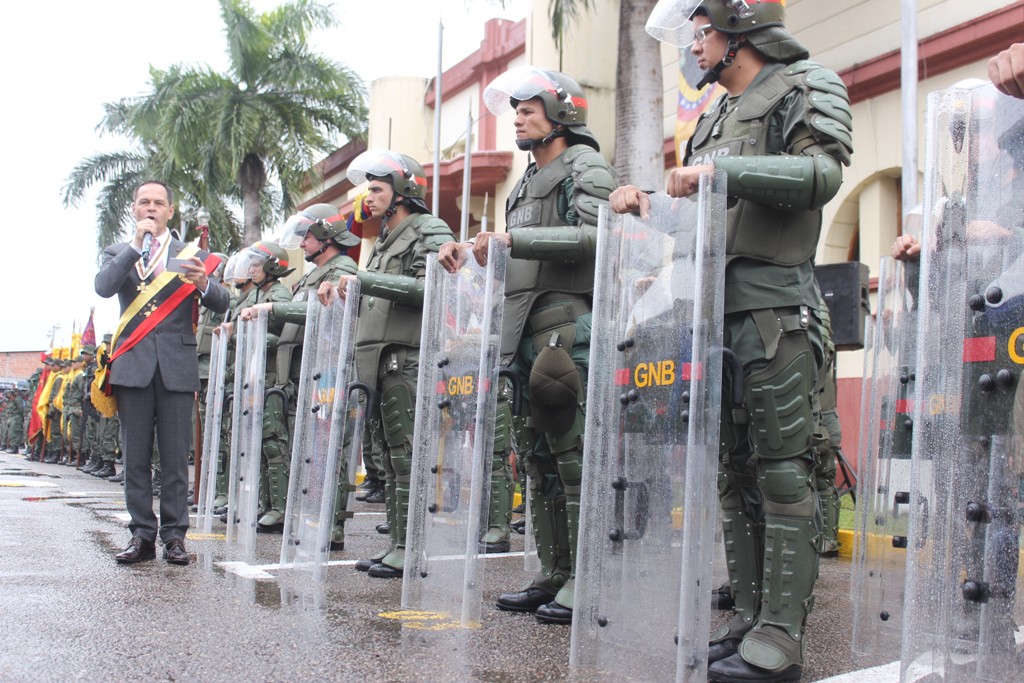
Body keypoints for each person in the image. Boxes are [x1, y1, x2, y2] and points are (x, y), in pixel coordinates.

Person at [615, 2, 853, 679]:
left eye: (701, 32)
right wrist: (649, 205)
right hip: (711, 315)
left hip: (775, 309)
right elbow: (703, 223)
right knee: (733, 472)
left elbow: (823, 174)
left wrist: (720, 175)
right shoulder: (713, 117)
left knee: (782, 470)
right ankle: (749, 613)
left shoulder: (806, 84)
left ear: (738, 28)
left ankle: (781, 632)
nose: (693, 46)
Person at [439, 66, 614, 624]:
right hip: (523, 334)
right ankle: (555, 572)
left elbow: (599, 234)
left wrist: (514, 239)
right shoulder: (523, 181)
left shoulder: (583, 165)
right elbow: (516, 257)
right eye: (515, 108)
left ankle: (588, 580)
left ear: (562, 112)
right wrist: (475, 253)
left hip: (565, 326)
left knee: (572, 458)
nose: (518, 116)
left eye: (529, 107)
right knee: (538, 463)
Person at [319, 149, 455, 578]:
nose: (368, 197)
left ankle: (410, 546)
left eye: (376, 189)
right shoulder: (380, 241)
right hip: (378, 358)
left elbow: (432, 286)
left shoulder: (428, 228)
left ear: (404, 190)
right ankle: (397, 542)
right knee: (392, 456)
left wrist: (365, 280)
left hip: (409, 356)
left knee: (408, 454)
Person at [94, 180, 229, 566]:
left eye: (158, 203)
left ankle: (174, 537)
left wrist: (204, 282)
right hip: (132, 365)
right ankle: (141, 535)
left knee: (174, 459)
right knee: (135, 459)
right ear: (134, 210)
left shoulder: (193, 255)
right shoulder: (119, 252)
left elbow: (222, 301)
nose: (151, 209)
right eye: (143, 203)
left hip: (176, 365)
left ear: (171, 211)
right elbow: (104, 288)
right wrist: (136, 246)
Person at [242, 204, 361, 547]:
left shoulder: (343, 269)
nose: (303, 244)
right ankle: (312, 515)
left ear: (326, 236)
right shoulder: (311, 275)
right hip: (303, 372)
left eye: (308, 237)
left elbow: (320, 310)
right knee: (308, 448)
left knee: (331, 447)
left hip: (329, 369)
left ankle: (333, 525)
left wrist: (272, 308)